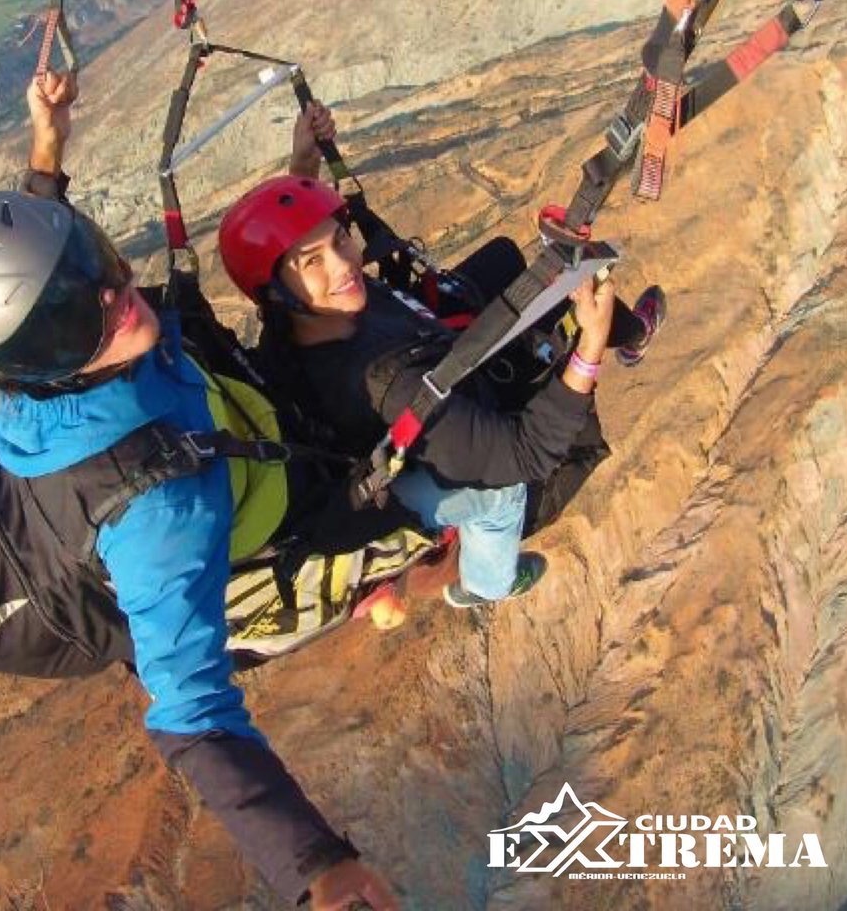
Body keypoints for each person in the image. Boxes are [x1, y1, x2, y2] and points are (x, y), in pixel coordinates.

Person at [0, 71, 400, 910]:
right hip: (202, 523)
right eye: (82, 316)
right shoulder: (161, 514)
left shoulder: (11, 365)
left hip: (200, 426)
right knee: (403, 529)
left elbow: (34, 272)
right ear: (42, 359)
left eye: (94, 264)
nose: (116, 294)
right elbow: (192, 711)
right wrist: (316, 866)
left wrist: (48, 142)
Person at [217, 104, 666, 608]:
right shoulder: (390, 384)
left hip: (419, 340)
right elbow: (525, 454)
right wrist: (588, 346)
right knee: (506, 486)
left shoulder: (292, 320)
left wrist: (304, 167)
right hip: (433, 424)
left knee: (502, 260)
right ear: (277, 292)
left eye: (340, 238)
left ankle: (629, 334)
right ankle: (485, 583)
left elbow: (291, 253)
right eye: (313, 262)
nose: (344, 263)